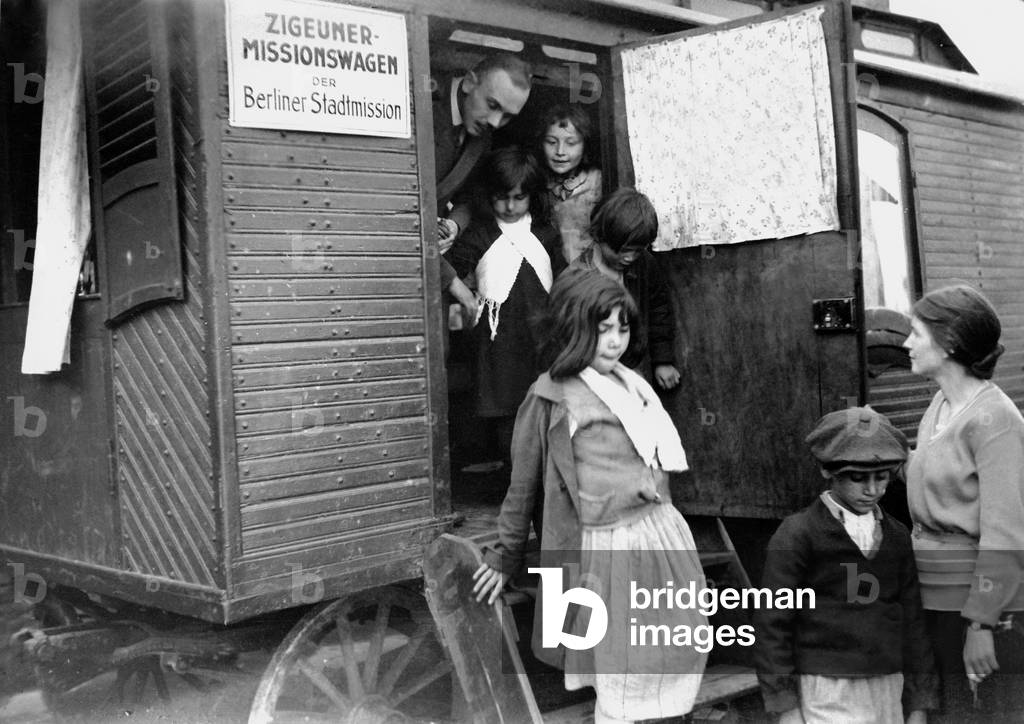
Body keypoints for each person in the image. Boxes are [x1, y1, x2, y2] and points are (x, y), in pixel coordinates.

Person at [472, 272, 707, 724]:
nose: (616, 341)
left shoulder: (631, 385)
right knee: (620, 663)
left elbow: (653, 462)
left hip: (656, 535)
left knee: (672, 647)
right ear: (573, 329)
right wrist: (504, 556)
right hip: (605, 548)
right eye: (603, 330)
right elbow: (522, 487)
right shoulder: (548, 397)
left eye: (622, 328)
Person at [755, 406, 938, 724]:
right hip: (826, 687)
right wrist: (785, 705)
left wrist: (919, 702)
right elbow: (772, 624)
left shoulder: (896, 536)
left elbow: (913, 623)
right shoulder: (799, 533)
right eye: (858, 478)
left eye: (882, 477)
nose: (873, 490)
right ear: (828, 471)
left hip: (888, 685)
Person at [903, 284, 1024, 721]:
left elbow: (1005, 536)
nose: (905, 343)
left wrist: (981, 626)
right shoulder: (938, 404)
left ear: (949, 342)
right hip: (935, 599)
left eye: (916, 333)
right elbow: (934, 484)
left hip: (979, 609)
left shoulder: (998, 421)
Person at [444, 146, 564, 468]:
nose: (510, 206)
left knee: (544, 406)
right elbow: (449, 268)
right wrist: (466, 298)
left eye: (518, 197)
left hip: (540, 337)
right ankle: (515, 484)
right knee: (507, 414)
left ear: (532, 196)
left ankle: (542, 484)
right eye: (501, 197)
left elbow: (565, 280)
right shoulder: (481, 234)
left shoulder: (545, 235)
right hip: (498, 343)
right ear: (489, 195)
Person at [432, 53, 533, 323]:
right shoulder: (423, 112)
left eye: (508, 117)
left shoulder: (481, 136)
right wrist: (454, 284)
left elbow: (468, 197)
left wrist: (454, 225)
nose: (496, 122)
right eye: (492, 104)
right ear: (468, 83)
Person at [565, 189, 680, 390]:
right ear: (599, 236)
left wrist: (663, 360)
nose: (629, 257)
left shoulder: (644, 265)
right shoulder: (577, 278)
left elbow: (658, 309)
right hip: (592, 374)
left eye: (636, 250)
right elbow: (570, 338)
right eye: (621, 250)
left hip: (635, 367)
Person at [537, 104, 602, 263]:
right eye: (551, 142)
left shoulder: (596, 181)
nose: (560, 151)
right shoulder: (536, 180)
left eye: (571, 143)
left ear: (585, 145)